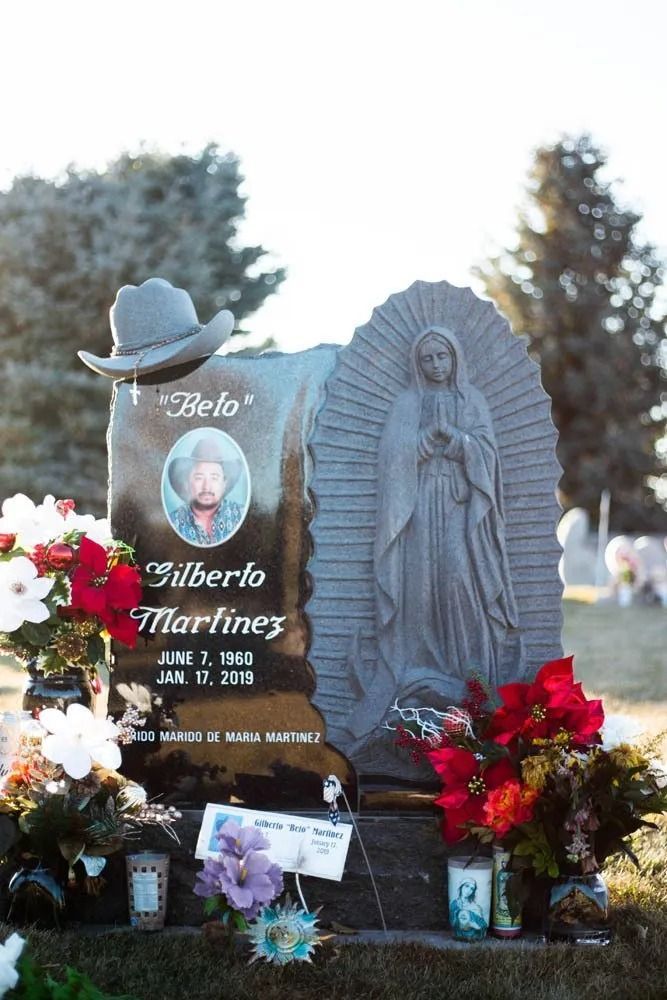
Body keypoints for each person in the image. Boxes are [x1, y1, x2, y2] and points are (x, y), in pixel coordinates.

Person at [374, 326, 518, 698]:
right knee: (421, 585)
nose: (436, 365)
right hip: (419, 504)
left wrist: (458, 441)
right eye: (428, 359)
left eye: (442, 356)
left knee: (458, 578)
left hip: (460, 506)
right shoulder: (407, 403)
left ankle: (473, 674)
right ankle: (421, 668)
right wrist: (420, 443)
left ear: (455, 357)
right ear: (417, 364)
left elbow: (487, 451)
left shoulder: (471, 400)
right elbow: (391, 456)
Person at [167, 437, 244, 546]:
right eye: (199, 478)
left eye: (214, 477)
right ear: (187, 483)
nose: (207, 487)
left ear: (224, 483)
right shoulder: (173, 523)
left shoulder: (241, 515)